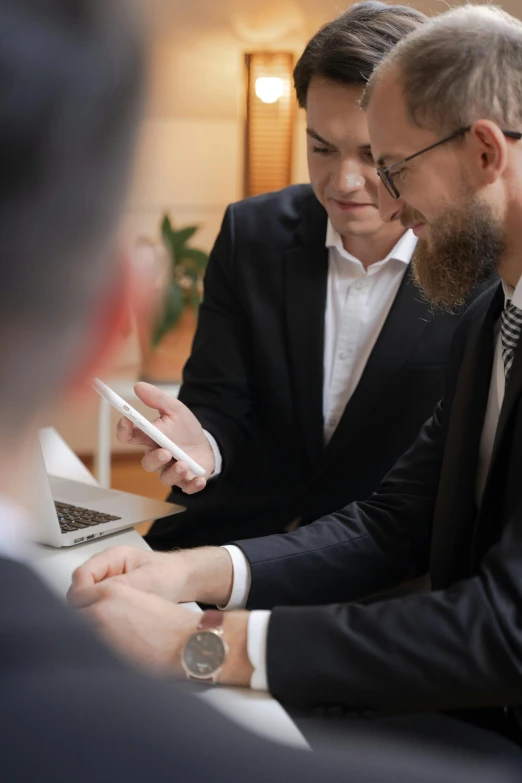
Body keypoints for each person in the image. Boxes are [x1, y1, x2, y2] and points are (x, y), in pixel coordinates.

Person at [1, 1, 502, 781]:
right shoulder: (496, 310)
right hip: (264, 574)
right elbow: (389, 517)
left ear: (479, 151)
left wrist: (198, 645)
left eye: (387, 160)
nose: (357, 184)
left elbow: (488, 624)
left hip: (394, 643)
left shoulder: (473, 284)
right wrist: (190, 569)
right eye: (321, 148)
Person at [126, 1, 476, 552]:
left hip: (384, 564)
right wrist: (200, 442)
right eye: (320, 147)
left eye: (373, 154)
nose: (345, 181)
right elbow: (219, 400)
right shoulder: (252, 232)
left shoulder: (474, 266)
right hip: (229, 534)